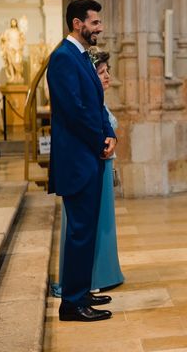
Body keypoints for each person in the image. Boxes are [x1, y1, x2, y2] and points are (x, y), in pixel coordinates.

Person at [47, 0, 116, 322]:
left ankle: (81, 289)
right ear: (78, 24)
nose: (99, 28)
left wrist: (108, 134)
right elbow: (74, 111)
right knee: (79, 231)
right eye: (95, 23)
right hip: (77, 158)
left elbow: (96, 103)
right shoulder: (62, 58)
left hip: (88, 153)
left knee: (87, 229)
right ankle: (72, 304)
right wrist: (97, 139)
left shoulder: (81, 56)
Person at [52, 49, 124, 297]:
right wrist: (101, 142)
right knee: (82, 229)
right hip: (86, 165)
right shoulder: (65, 63)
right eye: (101, 72)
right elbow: (78, 121)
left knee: (97, 227)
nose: (106, 77)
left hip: (100, 166)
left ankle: (94, 279)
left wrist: (111, 137)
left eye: (107, 72)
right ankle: (81, 287)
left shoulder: (99, 103)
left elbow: (105, 125)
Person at [0, 17, 26, 84]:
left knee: (17, 63)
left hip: (17, 49)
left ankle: (18, 76)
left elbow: (22, 40)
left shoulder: (19, 31)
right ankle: (12, 76)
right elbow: (4, 39)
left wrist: (21, 43)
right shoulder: (8, 31)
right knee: (10, 62)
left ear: (16, 23)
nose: (13, 23)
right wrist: (2, 38)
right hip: (10, 48)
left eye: (14, 21)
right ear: (10, 23)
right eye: (12, 21)